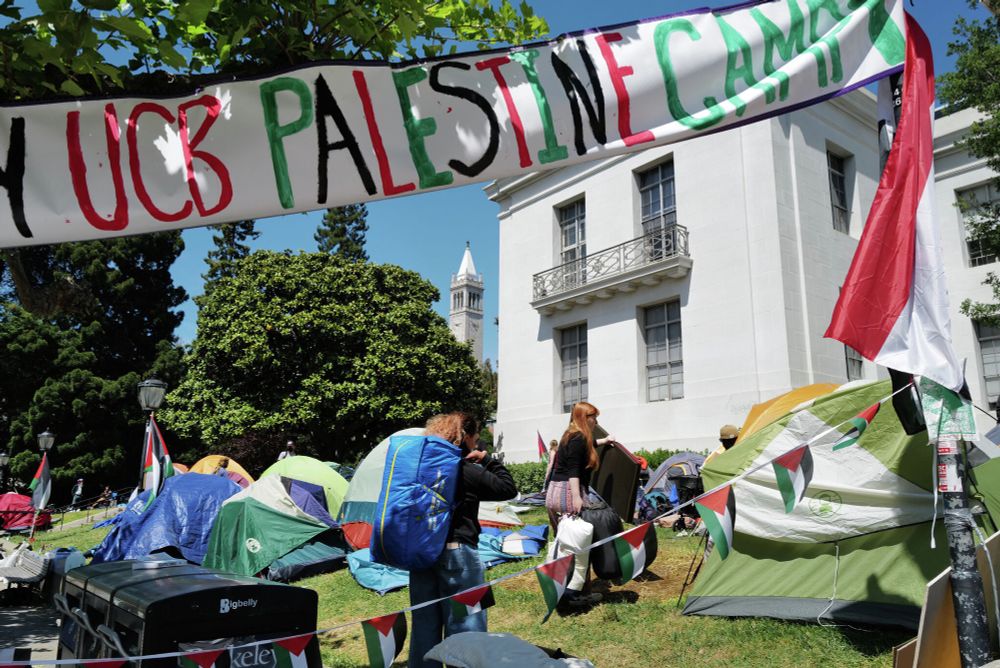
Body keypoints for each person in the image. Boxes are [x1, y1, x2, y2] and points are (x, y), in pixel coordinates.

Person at [408, 412, 517, 668]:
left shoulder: (418, 468)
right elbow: (507, 488)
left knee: (424, 625)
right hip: (458, 554)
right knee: (467, 625)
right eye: (476, 437)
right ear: (465, 437)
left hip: (421, 553)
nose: (477, 442)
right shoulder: (465, 469)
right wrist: (488, 460)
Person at [545, 401, 615, 607]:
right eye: (593, 417)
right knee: (577, 546)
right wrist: (577, 497)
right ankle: (575, 595)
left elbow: (589, 445)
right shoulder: (576, 438)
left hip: (557, 492)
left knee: (567, 545)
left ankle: (567, 591)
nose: (596, 421)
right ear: (584, 418)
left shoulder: (574, 435)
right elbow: (574, 470)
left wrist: (605, 441)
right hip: (567, 493)